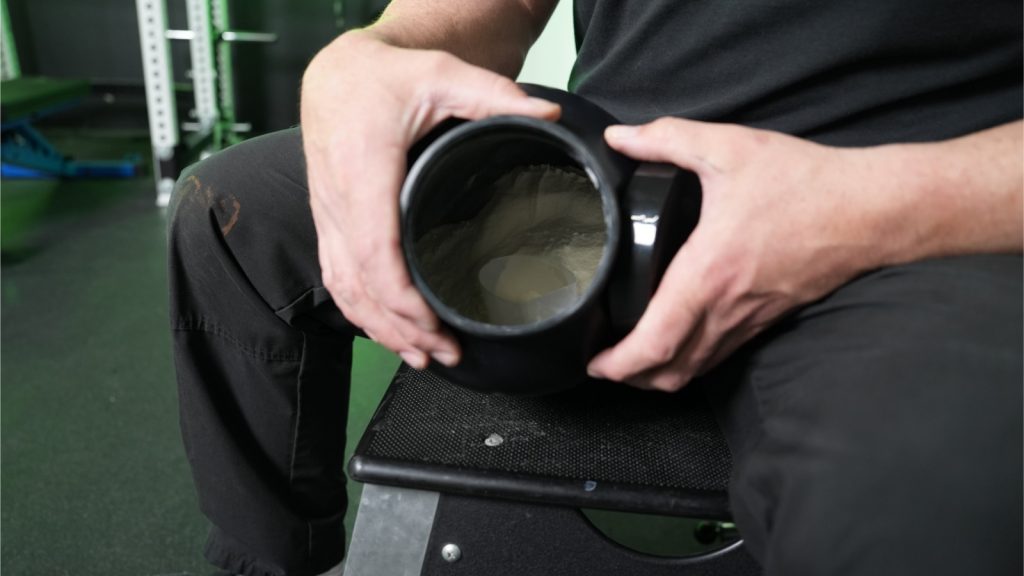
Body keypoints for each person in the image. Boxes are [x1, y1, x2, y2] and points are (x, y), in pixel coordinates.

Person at [167, 1, 1023, 575]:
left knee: (924, 501)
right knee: (231, 215)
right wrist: (367, 54)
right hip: (600, 163)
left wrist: (867, 209)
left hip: (902, 216)